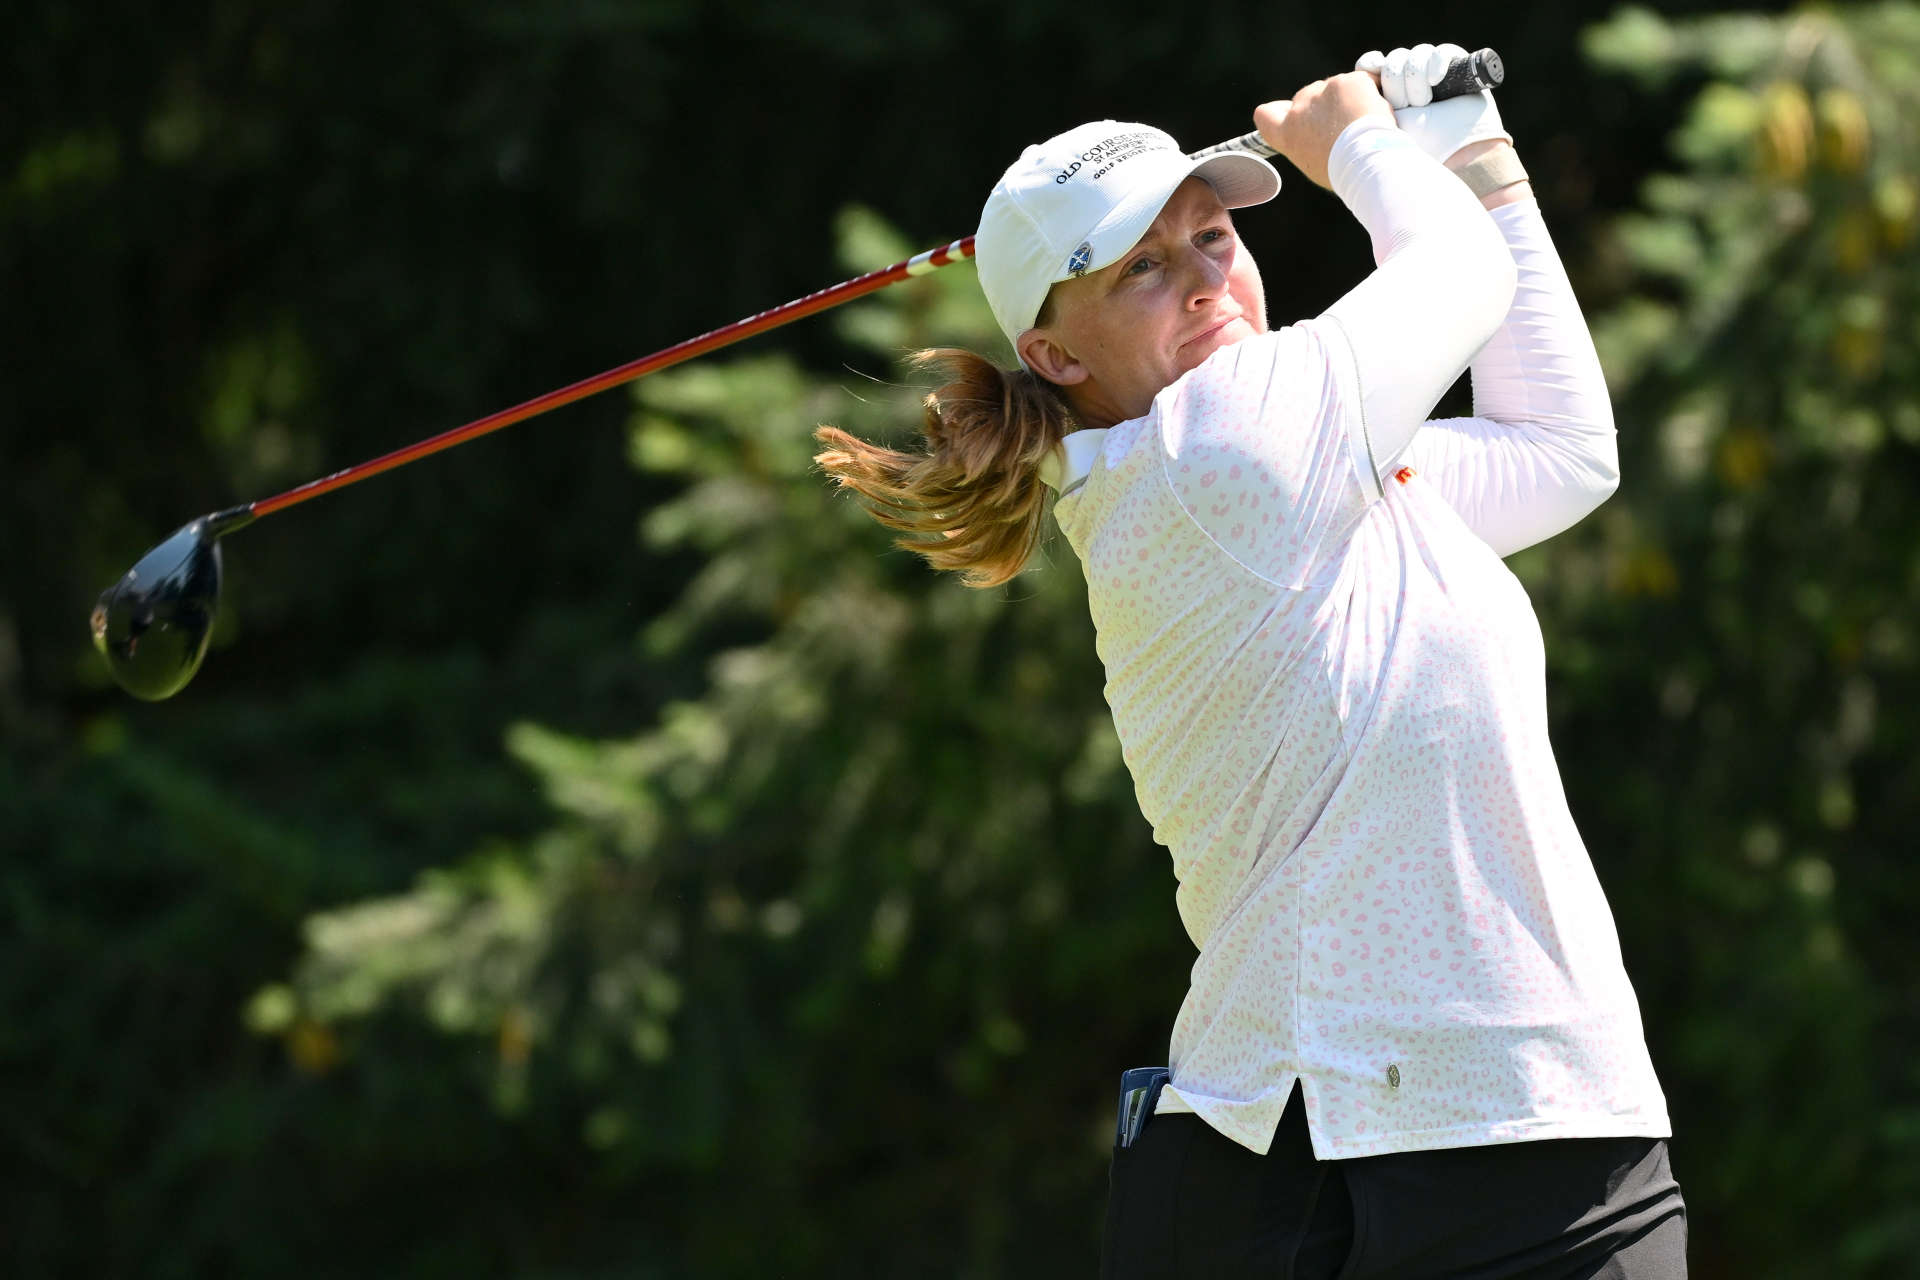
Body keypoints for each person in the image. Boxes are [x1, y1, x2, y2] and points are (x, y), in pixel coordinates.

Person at [816, 42, 1686, 1279]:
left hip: (1436, 1128)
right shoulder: (1221, 449)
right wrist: (1364, 145)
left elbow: (1561, 450)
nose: (1204, 282)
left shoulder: (1291, 466)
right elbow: (1457, 271)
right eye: (1143, 271)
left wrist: (1477, 153)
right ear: (1059, 358)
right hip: (1396, 1144)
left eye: (1213, 238)